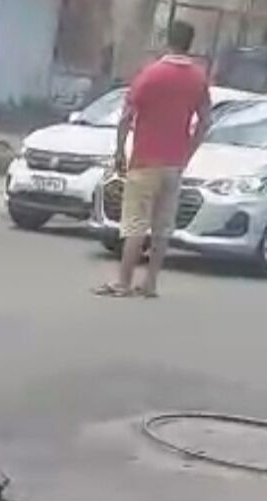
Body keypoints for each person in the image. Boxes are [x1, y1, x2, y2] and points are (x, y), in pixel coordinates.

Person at [94, 20, 211, 299]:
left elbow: (126, 117)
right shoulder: (198, 78)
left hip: (145, 159)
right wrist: (188, 151)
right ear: (190, 43)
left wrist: (119, 151)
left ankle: (123, 282)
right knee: (162, 226)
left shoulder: (150, 74)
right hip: (174, 163)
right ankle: (150, 283)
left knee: (135, 223)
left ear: (166, 40)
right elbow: (205, 120)